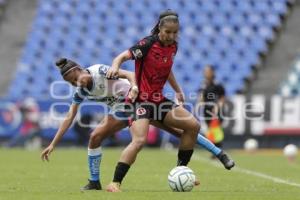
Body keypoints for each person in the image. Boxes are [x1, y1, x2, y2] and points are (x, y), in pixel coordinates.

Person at [41, 58, 234, 191]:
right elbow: (69, 116)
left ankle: (217, 153)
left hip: (138, 101)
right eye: (73, 83)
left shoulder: (100, 70)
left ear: (79, 69)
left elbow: (129, 74)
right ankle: (94, 182)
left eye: (76, 78)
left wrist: (133, 88)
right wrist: (53, 144)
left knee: (179, 131)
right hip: (121, 110)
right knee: (95, 137)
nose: (77, 83)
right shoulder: (81, 92)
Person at [105, 10, 234, 192]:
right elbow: (122, 57)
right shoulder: (147, 44)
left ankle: (181, 169)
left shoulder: (173, 46)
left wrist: (178, 90)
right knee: (139, 141)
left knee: (192, 125)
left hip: (158, 100)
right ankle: (115, 183)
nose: (171, 36)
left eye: (175, 32)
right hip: (141, 101)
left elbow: (167, 70)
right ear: (160, 28)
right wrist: (115, 66)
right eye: (168, 32)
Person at [198, 65, 227, 156]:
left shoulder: (217, 85)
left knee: (216, 131)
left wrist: (218, 107)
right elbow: (201, 97)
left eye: (208, 71)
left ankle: (218, 151)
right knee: (210, 131)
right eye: (205, 72)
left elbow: (222, 98)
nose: (206, 73)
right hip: (206, 111)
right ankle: (214, 152)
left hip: (216, 110)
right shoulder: (203, 84)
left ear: (212, 72)